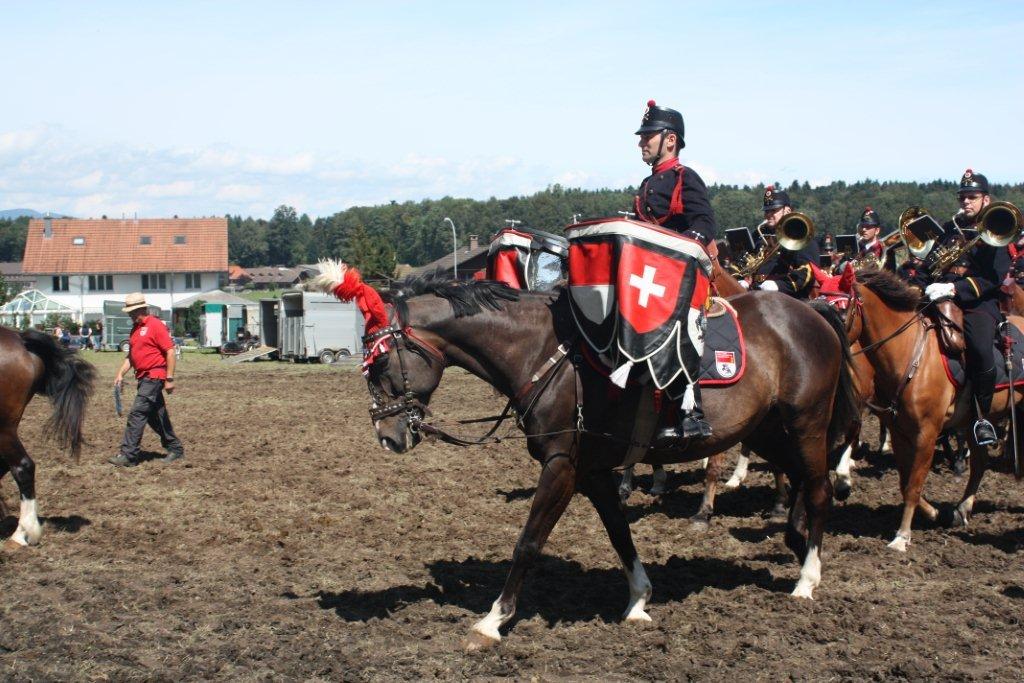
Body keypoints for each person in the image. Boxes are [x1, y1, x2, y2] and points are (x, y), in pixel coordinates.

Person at [633, 99, 715, 443]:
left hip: (683, 276)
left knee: (682, 325)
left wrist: (675, 250)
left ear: (670, 140)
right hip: (652, 276)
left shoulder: (686, 178)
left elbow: (704, 224)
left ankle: (691, 412)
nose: (641, 142)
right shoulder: (646, 184)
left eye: (647, 136)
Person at [923, 169, 1009, 445]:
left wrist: (954, 289)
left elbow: (993, 278)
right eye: (962, 197)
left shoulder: (998, 227)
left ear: (986, 199)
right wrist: (917, 285)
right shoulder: (950, 228)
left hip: (977, 302)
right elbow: (930, 264)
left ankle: (982, 417)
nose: (966, 202)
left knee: (981, 349)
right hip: (938, 296)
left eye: (972, 196)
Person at [109, 293, 185, 467]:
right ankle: (175, 448)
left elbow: (170, 351)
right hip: (143, 378)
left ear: (141, 309)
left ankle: (128, 455)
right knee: (155, 416)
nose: (130, 315)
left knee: (137, 413)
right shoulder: (135, 329)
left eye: (132, 311)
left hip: (154, 376)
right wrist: (120, 374)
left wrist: (169, 378)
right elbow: (131, 356)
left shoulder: (155, 325)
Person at [754, 186, 821, 298]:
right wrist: (743, 280)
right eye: (766, 211)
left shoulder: (801, 235)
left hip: (790, 298)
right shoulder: (759, 235)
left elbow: (807, 271)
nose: (768, 214)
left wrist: (779, 285)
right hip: (757, 293)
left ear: (787, 210)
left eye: (773, 210)